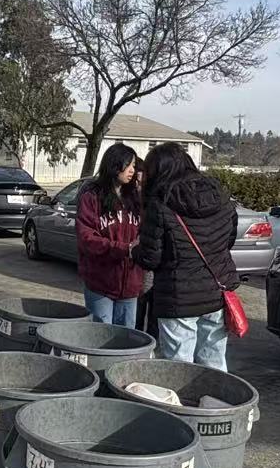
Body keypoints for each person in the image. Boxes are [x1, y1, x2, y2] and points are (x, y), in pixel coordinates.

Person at [135, 142, 239, 370]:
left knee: (178, 368)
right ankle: (215, 394)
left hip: (178, 298)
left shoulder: (160, 204)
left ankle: (181, 396)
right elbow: (228, 240)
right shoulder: (220, 196)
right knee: (214, 364)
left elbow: (150, 259)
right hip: (216, 293)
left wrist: (134, 251)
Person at [76, 142, 145, 326]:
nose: (132, 170)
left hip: (130, 286)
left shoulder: (136, 198)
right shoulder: (92, 197)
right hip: (101, 285)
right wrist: (123, 249)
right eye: (128, 165)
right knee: (101, 335)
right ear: (115, 165)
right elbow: (86, 239)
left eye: (134, 166)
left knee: (127, 337)